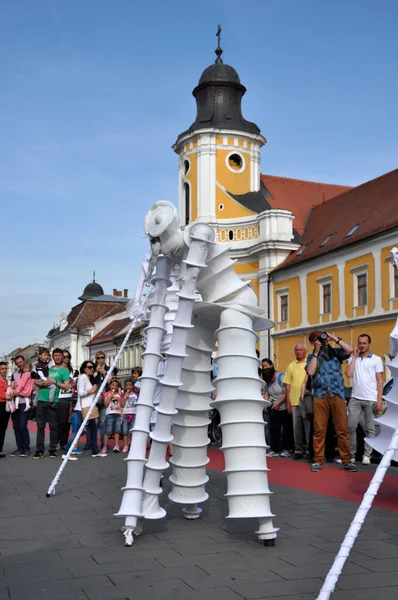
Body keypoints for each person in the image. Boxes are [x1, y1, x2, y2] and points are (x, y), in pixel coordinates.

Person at [306, 330, 357, 473]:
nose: (322, 341)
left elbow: (351, 350)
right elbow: (310, 372)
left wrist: (333, 338)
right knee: (319, 430)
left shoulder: (335, 352)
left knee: (342, 430)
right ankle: (318, 460)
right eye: (318, 339)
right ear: (312, 343)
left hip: (338, 394)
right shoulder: (311, 356)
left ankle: (347, 461)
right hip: (320, 395)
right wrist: (316, 352)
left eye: (322, 338)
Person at [346, 334, 384, 465]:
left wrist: (379, 401)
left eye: (364, 343)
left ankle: (367, 455)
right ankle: (351, 455)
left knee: (370, 428)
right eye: (360, 343)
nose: (362, 345)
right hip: (355, 398)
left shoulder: (377, 359)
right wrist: (355, 357)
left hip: (370, 399)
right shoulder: (353, 358)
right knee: (351, 427)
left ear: (369, 344)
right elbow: (349, 374)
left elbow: (380, 382)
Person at [33, 348, 70, 459]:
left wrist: (54, 381)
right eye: (56, 355)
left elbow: (66, 386)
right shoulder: (47, 367)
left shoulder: (64, 370)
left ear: (62, 357)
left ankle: (52, 449)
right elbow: (35, 380)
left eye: (60, 355)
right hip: (41, 400)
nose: (58, 357)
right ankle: (39, 450)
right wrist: (41, 383)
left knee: (53, 427)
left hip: (54, 401)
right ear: (52, 357)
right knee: (40, 426)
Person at [283, 343, 309, 459]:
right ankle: (298, 450)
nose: (298, 352)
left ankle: (309, 450)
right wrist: (287, 403)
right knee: (297, 428)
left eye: (301, 350)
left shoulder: (309, 363)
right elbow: (287, 386)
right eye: (297, 350)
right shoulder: (291, 366)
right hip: (294, 401)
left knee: (308, 428)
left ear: (305, 351)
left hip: (307, 400)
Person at [71, 360, 101, 459]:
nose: (91, 369)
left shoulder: (88, 378)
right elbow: (81, 393)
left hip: (89, 407)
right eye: (89, 367)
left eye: (92, 367)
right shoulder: (83, 378)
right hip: (82, 408)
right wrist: (91, 391)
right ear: (84, 369)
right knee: (78, 431)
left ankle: (95, 451)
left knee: (93, 429)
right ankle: (68, 450)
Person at [262, 367, 292, 457]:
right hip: (274, 408)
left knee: (286, 429)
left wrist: (278, 404)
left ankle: (286, 449)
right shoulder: (267, 383)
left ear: (273, 376)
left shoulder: (281, 378)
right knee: (274, 429)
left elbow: (285, 393)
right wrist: (266, 404)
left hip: (284, 407)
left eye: (271, 380)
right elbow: (266, 394)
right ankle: (274, 449)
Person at [10, 360, 33, 457]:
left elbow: (33, 386)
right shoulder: (14, 374)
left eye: (21, 362)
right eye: (17, 363)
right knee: (16, 427)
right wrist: (13, 388)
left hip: (24, 402)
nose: (19, 364)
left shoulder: (30, 373)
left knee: (23, 425)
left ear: (24, 362)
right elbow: (12, 386)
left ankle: (26, 448)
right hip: (15, 402)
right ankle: (20, 448)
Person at [56, 350, 76, 451]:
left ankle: (64, 443)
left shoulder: (71, 370)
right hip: (61, 397)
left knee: (68, 422)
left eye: (68, 357)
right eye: (64, 357)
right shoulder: (58, 369)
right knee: (61, 421)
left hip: (70, 396)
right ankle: (58, 442)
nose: (66, 359)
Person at [91, 350, 109, 450]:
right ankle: (91, 442)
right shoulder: (92, 368)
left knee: (102, 422)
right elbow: (91, 380)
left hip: (104, 397)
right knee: (93, 422)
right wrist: (96, 371)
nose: (100, 359)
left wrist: (105, 373)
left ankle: (103, 443)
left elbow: (112, 380)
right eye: (98, 358)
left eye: (102, 357)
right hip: (94, 396)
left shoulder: (108, 368)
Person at [102, 378, 123, 455]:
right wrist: (110, 395)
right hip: (109, 414)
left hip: (117, 414)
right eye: (113, 385)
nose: (114, 387)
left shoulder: (118, 395)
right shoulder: (107, 394)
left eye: (116, 386)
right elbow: (106, 404)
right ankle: (105, 446)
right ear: (110, 385)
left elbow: (120, 406)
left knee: (117, 430)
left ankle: (116, 445)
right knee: (108, 431)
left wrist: (121, 415)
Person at [121, 378, 137, 452]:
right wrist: (125, 397)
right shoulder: (123, 394)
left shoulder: (136, 395)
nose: (128, 387)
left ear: (133, 386)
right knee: (125, 431)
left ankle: (132, 444)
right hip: (125, 414)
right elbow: (121, 405)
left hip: (134, 414)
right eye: (127, 385)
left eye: (130, 385)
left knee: (132, 431)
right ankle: (126, 445)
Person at [0, 361, 10, 458]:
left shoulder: (6, 381)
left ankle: (0, 450)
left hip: (5, 405)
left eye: (5, 369)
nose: (4, 371)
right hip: (0, 403)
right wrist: (5, 396)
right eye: (2, 369)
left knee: (3, 428)